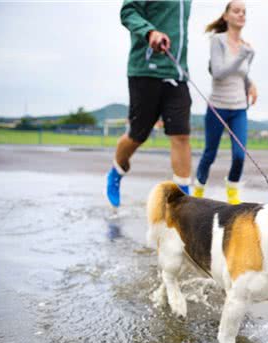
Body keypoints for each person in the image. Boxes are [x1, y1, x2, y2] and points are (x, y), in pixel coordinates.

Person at [106, 0, 193, 208]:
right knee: (137, 135)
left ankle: (184, 201)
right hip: (145, 70)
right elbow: (128, 11)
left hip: (177, 72)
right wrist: (150, 32)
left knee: (181, 134)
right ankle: (116, 172)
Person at [192, 0, 257, 205]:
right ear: (226, 16)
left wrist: (251, 84)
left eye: (244, 12)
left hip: (239, 108)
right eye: (236, 11)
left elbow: (240, 74)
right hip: (217, 107)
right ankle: (198, 192)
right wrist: (241, 57)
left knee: (239, 155)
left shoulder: (246, 47)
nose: (241, 15)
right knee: (210, 153)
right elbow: (219, 73)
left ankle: (232, 190)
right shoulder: (217, 41)